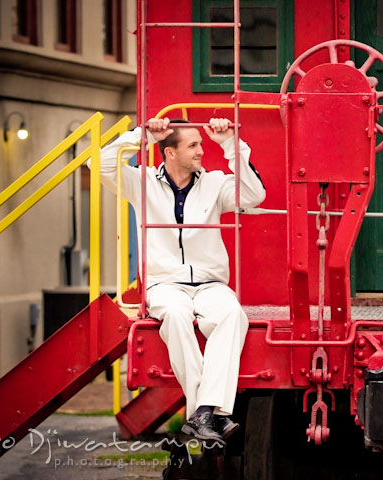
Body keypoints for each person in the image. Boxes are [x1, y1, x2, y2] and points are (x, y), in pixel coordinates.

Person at [96, 117, 266, 447]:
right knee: (174, 316)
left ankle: (201, 412)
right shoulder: (141, 182)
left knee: (233, 315)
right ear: (169, 152)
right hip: (164, 285)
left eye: (201, 144)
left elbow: (254, 194)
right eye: (193, 145)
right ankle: (211, 411)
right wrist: (142, 136)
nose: (202, 150)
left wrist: (231, 143)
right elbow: (99, 164)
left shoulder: (214, 183)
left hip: (209, 284)